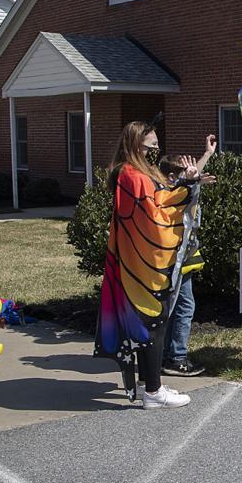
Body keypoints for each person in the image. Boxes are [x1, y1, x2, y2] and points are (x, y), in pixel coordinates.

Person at [94, 121, 198, 409]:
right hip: (142, 264)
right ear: (136, 145)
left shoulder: (132, 172)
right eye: (151, 146)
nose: (156, 151)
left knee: (146, 324)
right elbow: (155, 216)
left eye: (156, 146)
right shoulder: (132, 175)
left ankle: (148, 383)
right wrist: (187, 189)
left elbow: (160, 201)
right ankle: (153, 391)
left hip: (134, 261)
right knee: (153, 323)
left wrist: (188, 183)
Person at [160, 135, 217, 377]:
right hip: (177, 259)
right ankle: (176, 357)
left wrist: (207, 155)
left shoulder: (180, 188)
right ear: (173, 177)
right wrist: (191, 180)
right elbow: (185, 186)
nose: (193, 175)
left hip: (185, 259)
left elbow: (189, 180)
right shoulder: (173, 193)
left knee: (175, 308)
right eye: (186, 172)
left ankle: (165, 354)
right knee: (183, 307)